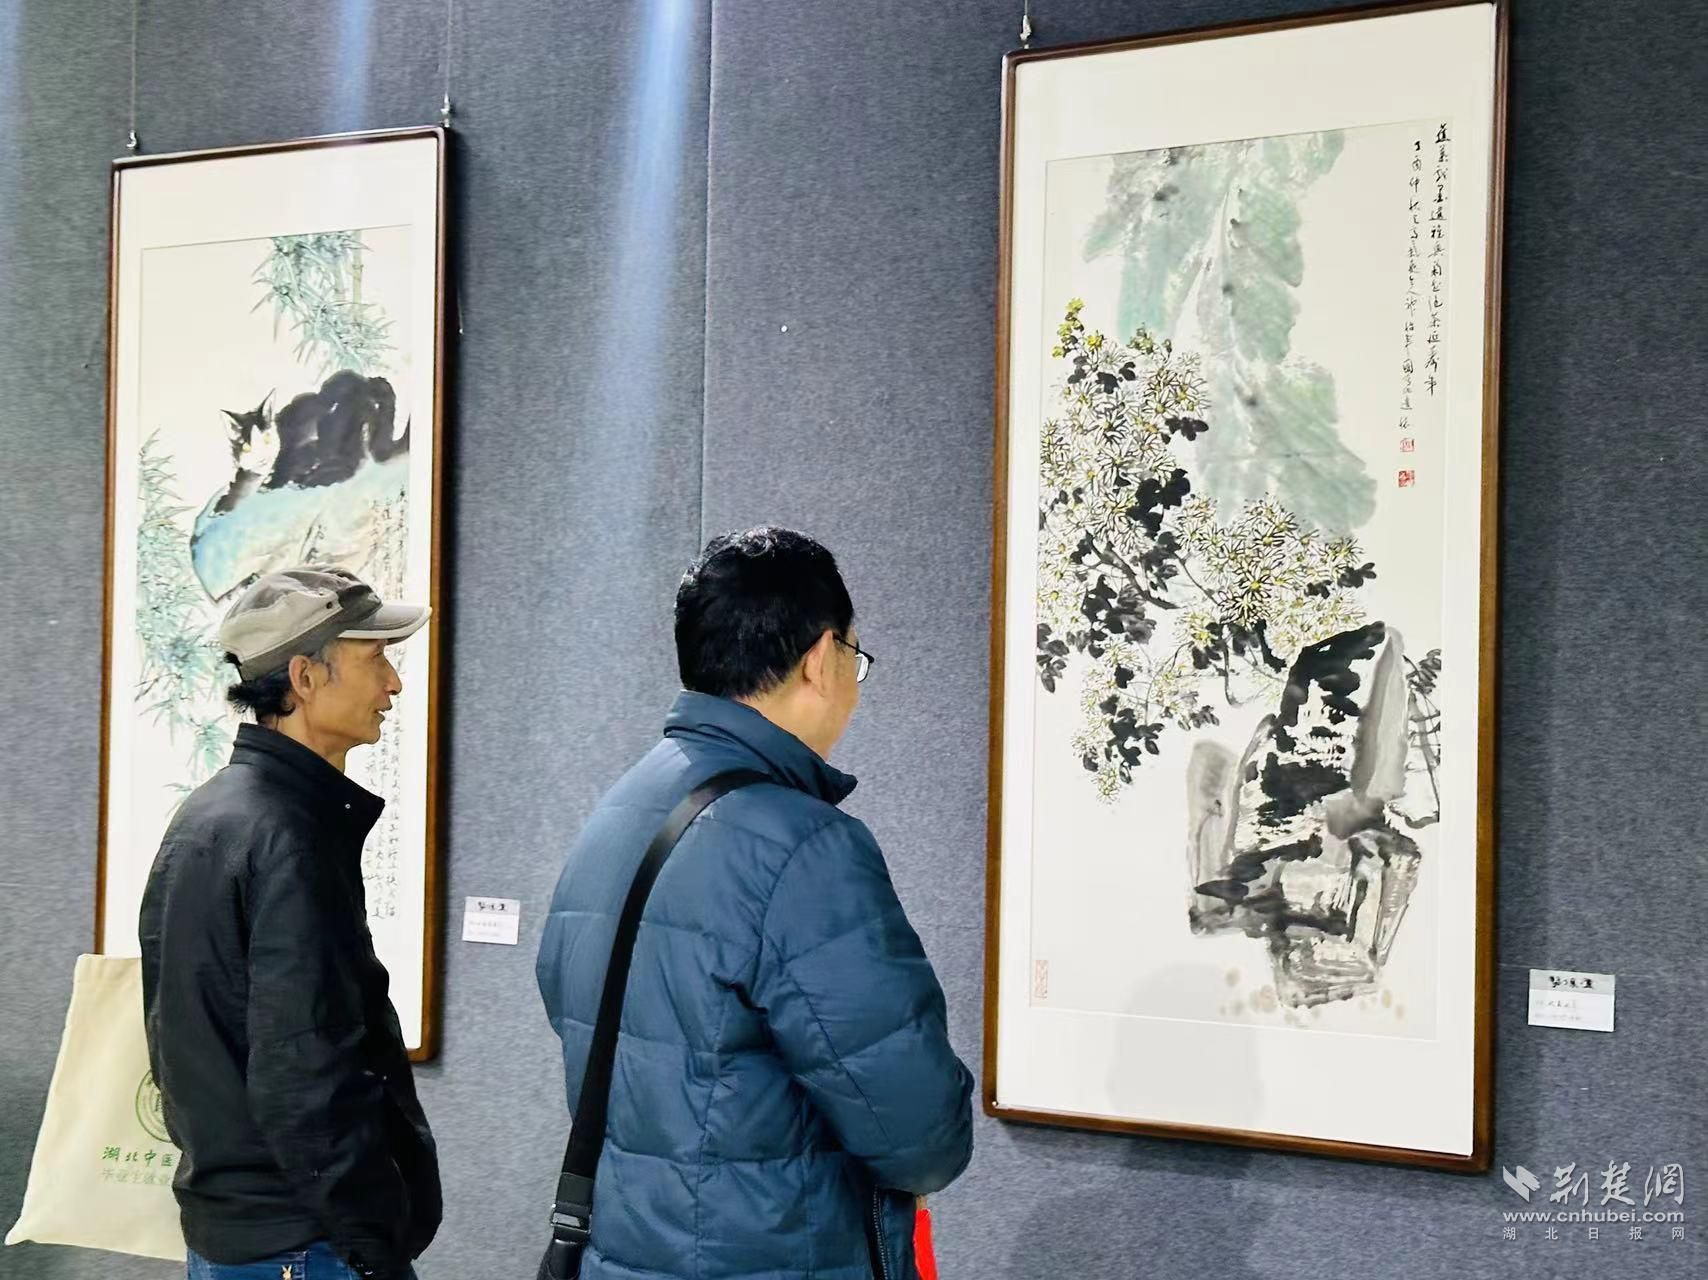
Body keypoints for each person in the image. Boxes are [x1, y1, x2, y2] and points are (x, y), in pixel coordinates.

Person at [537, 527, 974, 1280]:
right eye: (855, 657)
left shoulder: (617, 814)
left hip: (623, 1257)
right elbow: (919, 1133)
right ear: (821, 657)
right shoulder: (806, 847)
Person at [139, 565, 441, 1280]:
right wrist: (374, 1243)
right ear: (304, 677)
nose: (394, 684)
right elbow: (306, 1071)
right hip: (304, 1244)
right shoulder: (287, 835)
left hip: (240, 1233)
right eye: (376, 659)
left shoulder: (211, 814)